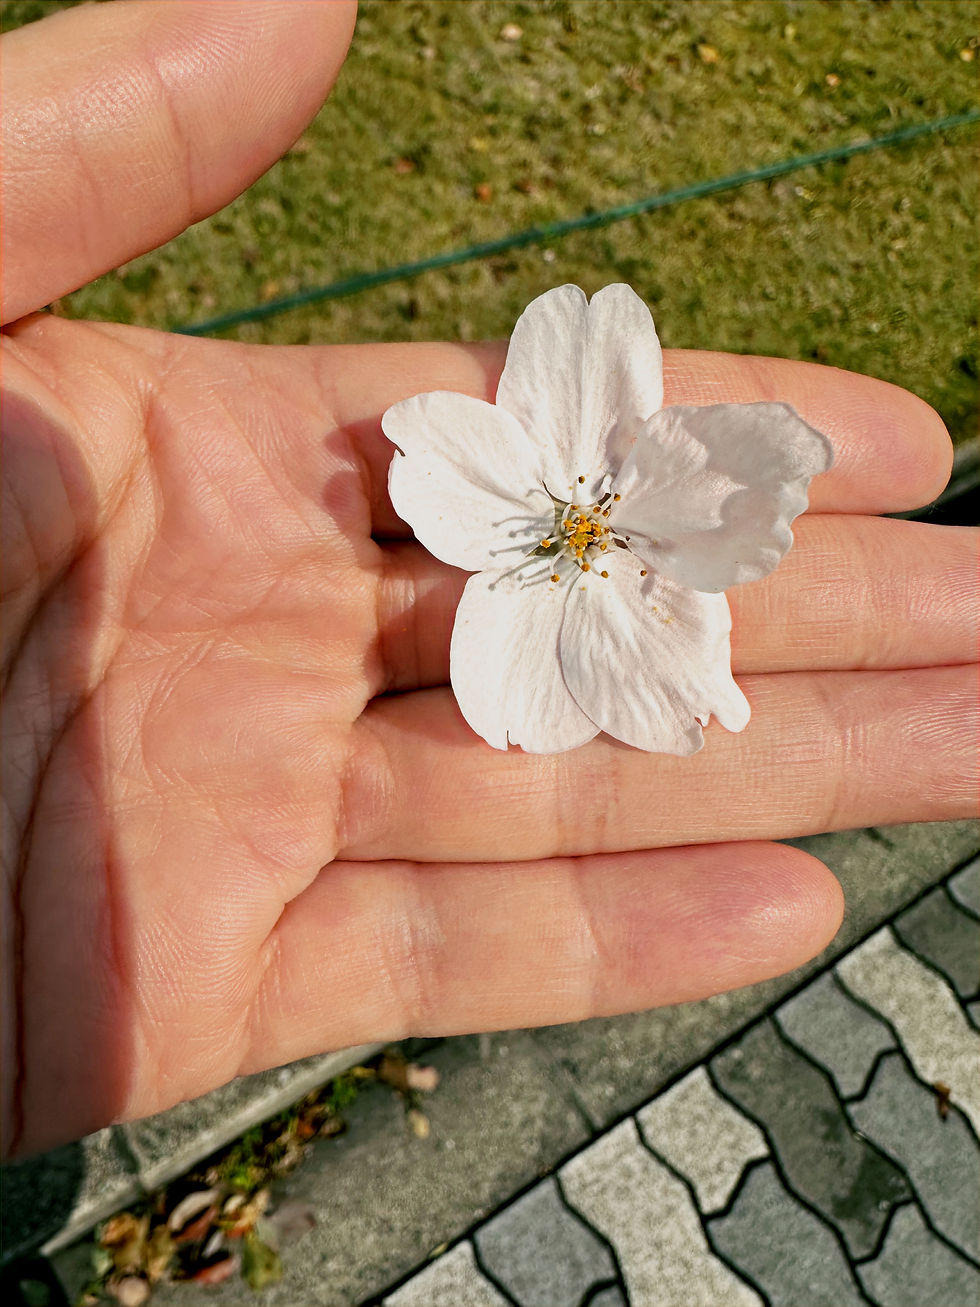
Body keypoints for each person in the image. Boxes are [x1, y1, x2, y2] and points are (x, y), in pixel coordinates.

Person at [1, 0, 975, 1161]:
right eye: (581, 527)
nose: (578, 531)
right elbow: (466, 518)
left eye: (583, 529)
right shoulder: (527, 495)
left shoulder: (631, 535)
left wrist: (682, 666)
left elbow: (607, 621)